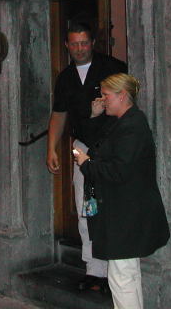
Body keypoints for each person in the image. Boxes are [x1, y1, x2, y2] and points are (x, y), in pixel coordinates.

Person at [73, 73, 170, 309]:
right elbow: (99, 143)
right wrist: (94, 116)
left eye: (106, 95)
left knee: (121, 276)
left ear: (122, 95)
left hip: (126, 213)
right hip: (122, 211)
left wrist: (86, 164)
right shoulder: (121, 121)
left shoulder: (132, 126)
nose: (102, 99)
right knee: (126, 273)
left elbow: (119, 170)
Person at [46, 21, 126, 294]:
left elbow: (130, 103)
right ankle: (94, 270)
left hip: (111, 149)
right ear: (67, 46)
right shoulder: (66, 78)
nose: (79, 49)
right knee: (86, 210)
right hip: (82, 149)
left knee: (112, 210)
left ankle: (116, 271)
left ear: (92, 43)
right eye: (74, 44)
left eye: (84, 43)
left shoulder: (113, 68)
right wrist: (51, 148)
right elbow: (59, 114)